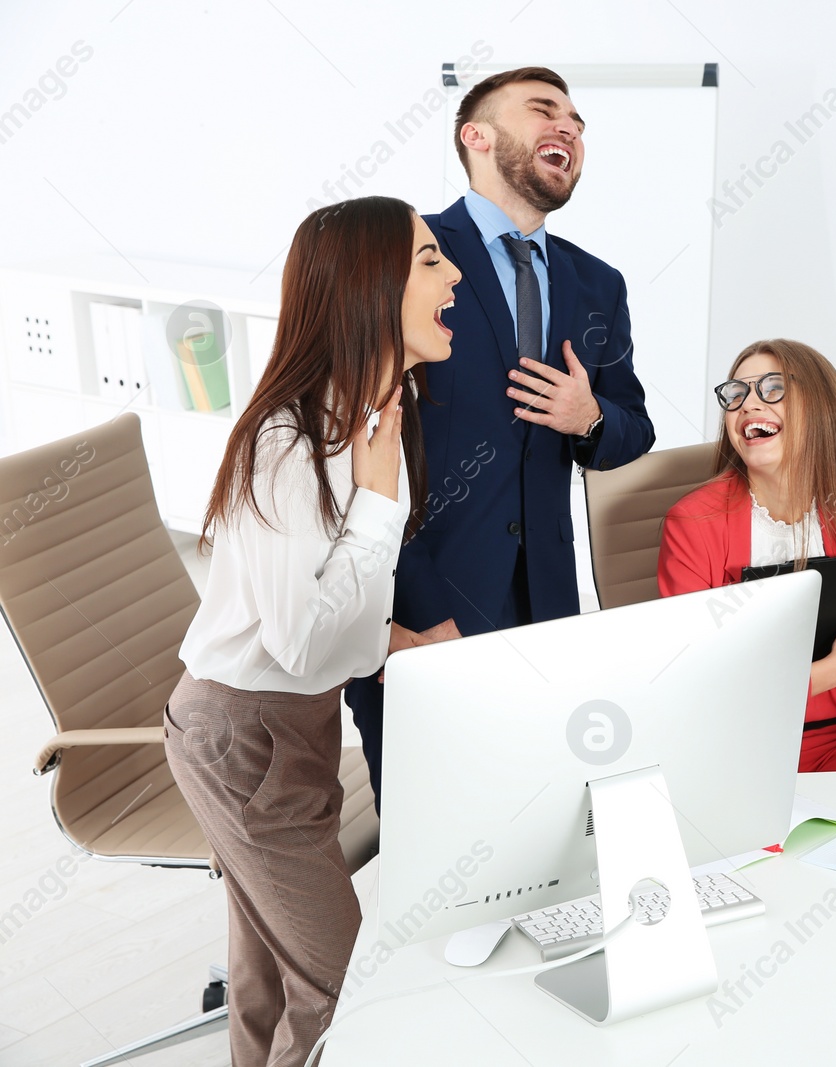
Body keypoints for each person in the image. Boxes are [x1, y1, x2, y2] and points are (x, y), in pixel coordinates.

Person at [164, 196, 459, 1066]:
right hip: (243, 730)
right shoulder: (291, 440)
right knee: (348, 985)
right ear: (372, 283)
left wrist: (392, 643)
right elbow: (295, 641)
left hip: (294, 721)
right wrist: (373, 504)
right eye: (432, 260)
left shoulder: (377, 411)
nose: (452, 277)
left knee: (270, 981)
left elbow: (328, 612)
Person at [344, 65, 654, 807]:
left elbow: (633, 427)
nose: (569, 130)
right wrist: (415, 608)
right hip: (425, 608)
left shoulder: (597, 283)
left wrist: (593, 419)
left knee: (542, 817)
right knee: (437, 835)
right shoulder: (406, 256)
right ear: (475, 136)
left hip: (547, 610)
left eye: (578, 123)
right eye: (546, 110)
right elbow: (363, 450)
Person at [658, 339, 836, 771]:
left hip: (833, 741)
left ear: (820, 408)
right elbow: (696, 688)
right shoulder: (691, 523)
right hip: (727, 754)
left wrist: (762, 696)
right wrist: (829, 672)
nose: (748, 404)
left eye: (773, 388)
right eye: (736, 393)